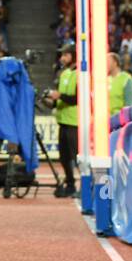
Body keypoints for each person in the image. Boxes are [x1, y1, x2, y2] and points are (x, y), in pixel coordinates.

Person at [48, 43, 78, 197]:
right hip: (63, 120)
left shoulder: (82, 74)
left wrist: (59, 96)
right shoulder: (64, 73)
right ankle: (71, 184)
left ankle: (87, 185)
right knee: (64, 157)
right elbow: (61, 96)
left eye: (65, 55)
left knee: (78, 156)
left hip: (75, 122)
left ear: (73, 56)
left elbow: (78, 99)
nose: (62, 58)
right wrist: (51, 101)